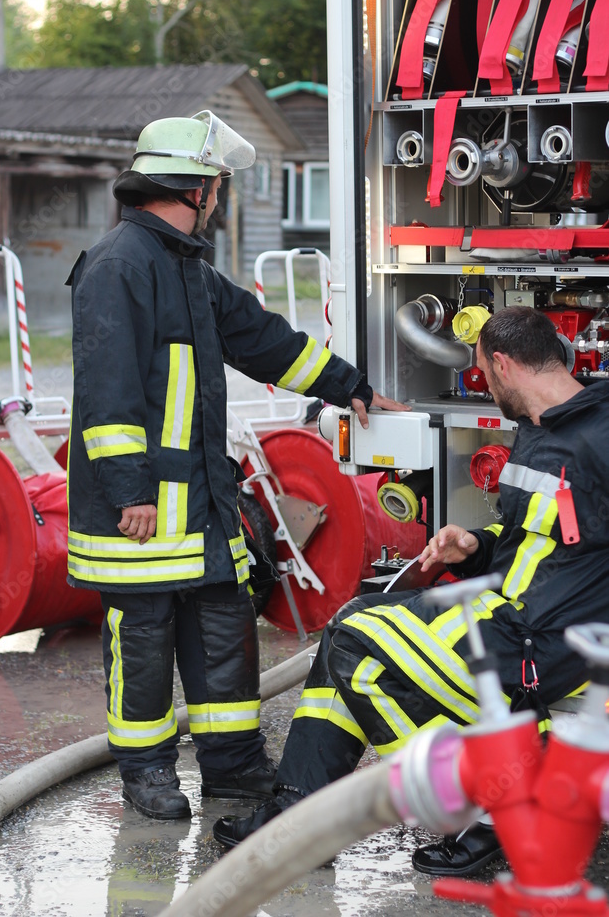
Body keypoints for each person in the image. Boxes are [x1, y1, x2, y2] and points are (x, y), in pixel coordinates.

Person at [65, 109, 409, 822]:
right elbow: (108, 389)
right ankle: (147, 773)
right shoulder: (118, 265)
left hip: (201, 500)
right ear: (194, 189)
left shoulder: (187, 268)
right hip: (141, 509)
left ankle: (234, 766)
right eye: (217, 185)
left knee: (224, 625)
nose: (220, 198)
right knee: (144, 641)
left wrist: (350, 386)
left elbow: (263, 340)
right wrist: (130, 491)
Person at [214, 306, 609, 876]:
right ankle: (299, 819)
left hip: (546, 642)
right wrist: (473, 545)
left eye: (483, 374)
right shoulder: (536, 429)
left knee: (354, 638)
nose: (485, 387)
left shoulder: (601, 436)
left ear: (502, 364)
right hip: (506, 617)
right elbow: (532, 539)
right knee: (349, 635)